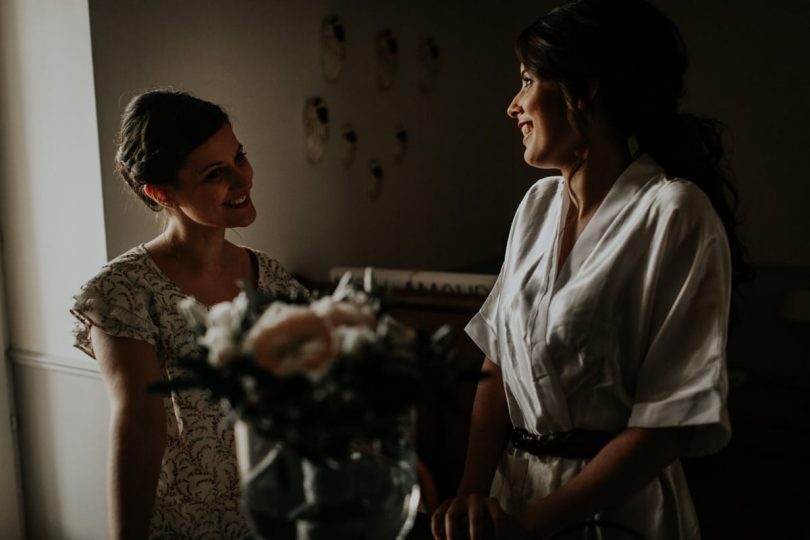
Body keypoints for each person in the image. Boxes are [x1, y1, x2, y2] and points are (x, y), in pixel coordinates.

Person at [431, 0, 749, 538]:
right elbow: (497, 366)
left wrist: (534, 525)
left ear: (586, 89)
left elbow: (668, 423)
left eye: (528, 80)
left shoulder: (673, 214)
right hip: (513, 498)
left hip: (617, 514)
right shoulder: (536, 207)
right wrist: (472, 496)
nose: (513, 105)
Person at [71, 89, 304, 540]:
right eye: (217, 173)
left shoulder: (276, 282)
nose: (242, 181)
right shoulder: (121, 293)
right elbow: (138, 424)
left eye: (240, 158)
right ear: (161, 192)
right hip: (182, 526)